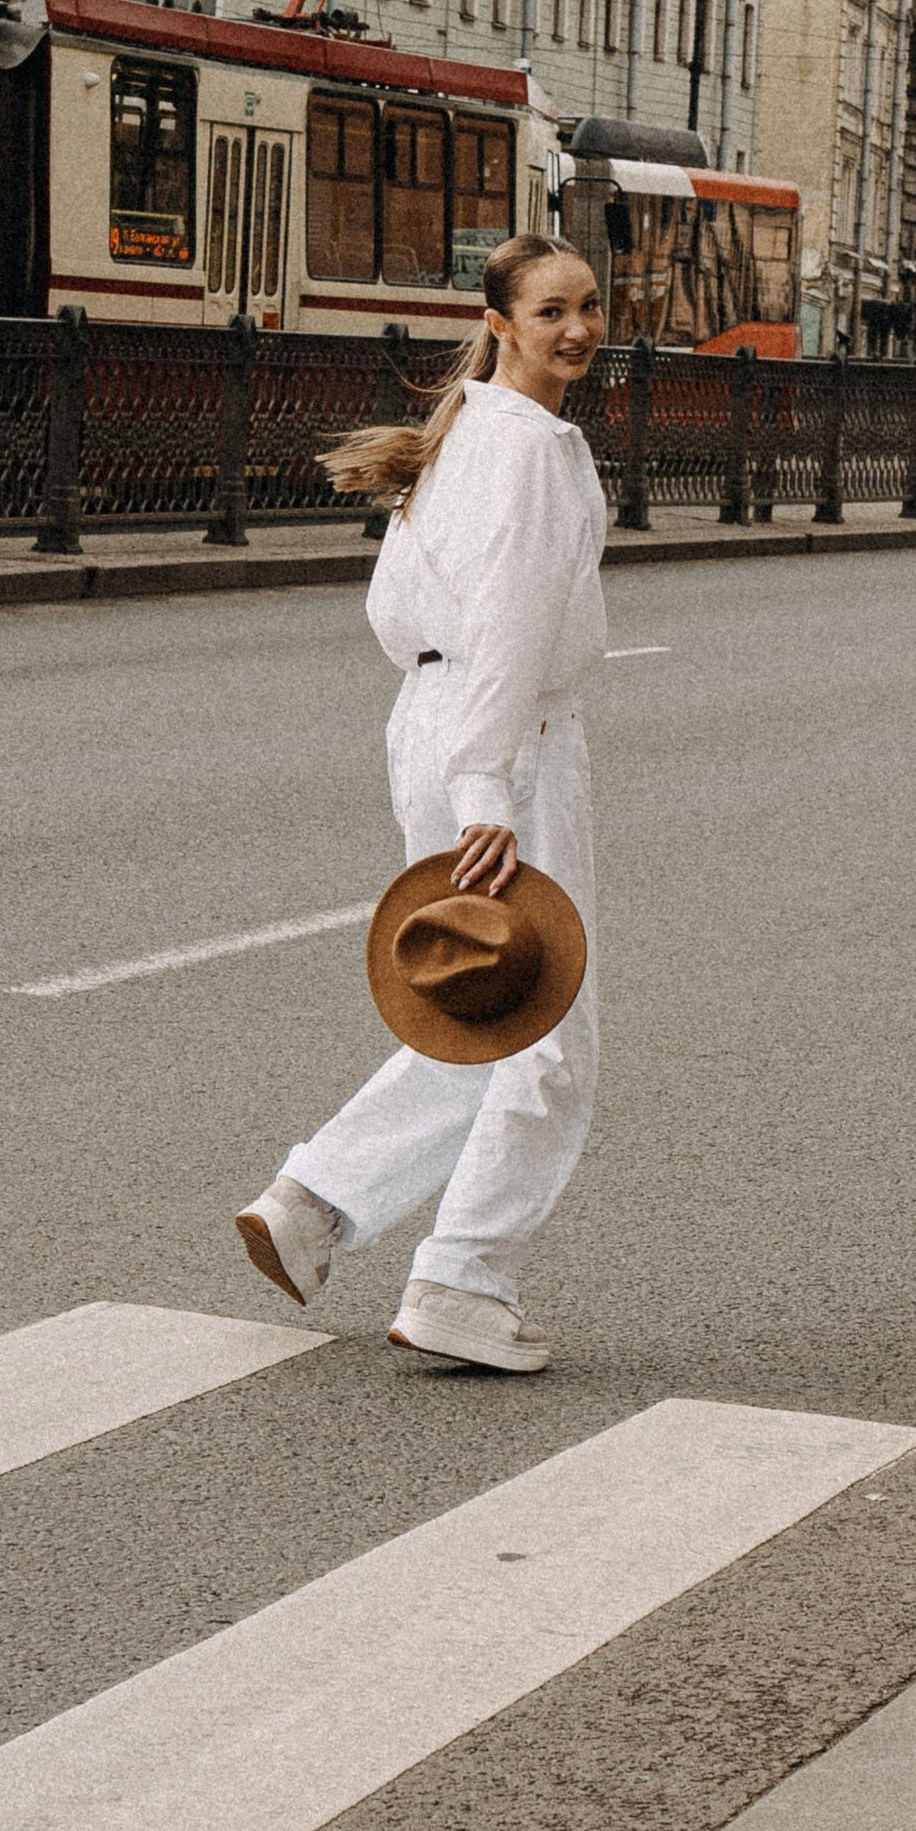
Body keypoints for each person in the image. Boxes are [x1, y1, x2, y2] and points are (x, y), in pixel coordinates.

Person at [236, 229, 608, 1372]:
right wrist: (490, 787)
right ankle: (462, 1279)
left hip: (429, 723)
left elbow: (405, 611)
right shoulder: (531, 447)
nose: (579, 329)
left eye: (589, 306)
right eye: (551, 311)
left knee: (475, 997)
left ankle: (313, 1204)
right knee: (546, 1027)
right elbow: (510, 629)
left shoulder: (461, 436)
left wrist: (458, 761)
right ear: (499, 322)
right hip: (507, 742)